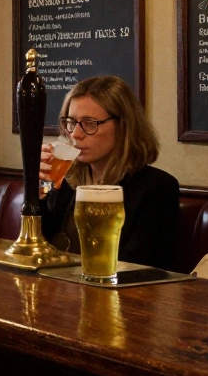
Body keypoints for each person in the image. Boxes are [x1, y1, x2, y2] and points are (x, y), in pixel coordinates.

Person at [39, 75, 179, 268]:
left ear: (123, 126)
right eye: (71, 122)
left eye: (90, 123)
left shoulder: (157, 189)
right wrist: (37, 196)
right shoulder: (67, 180)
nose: (75, 134)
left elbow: (138, 267)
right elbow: (41, 248)